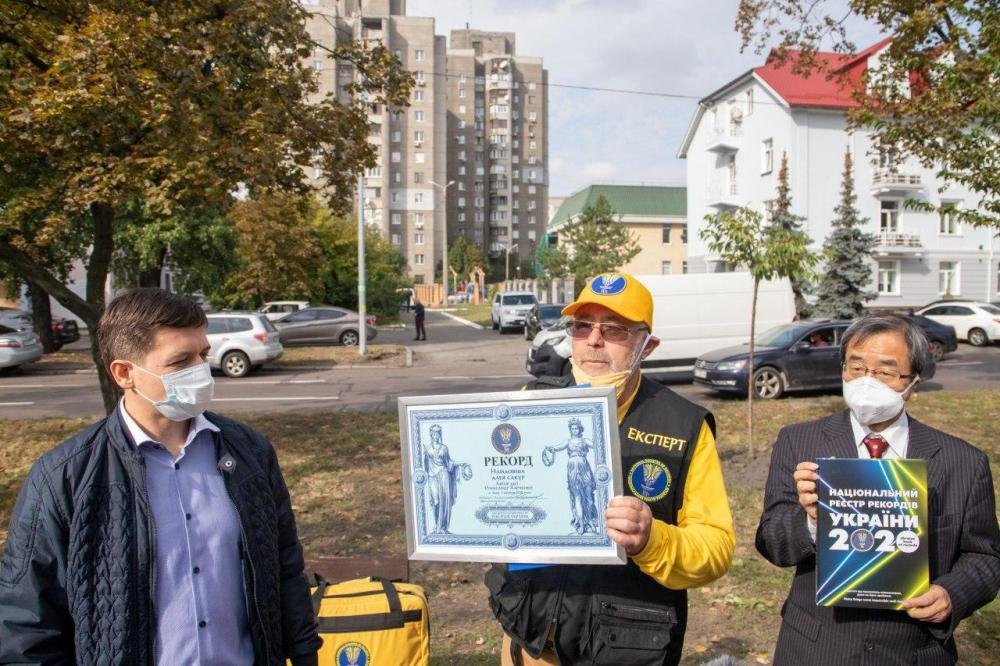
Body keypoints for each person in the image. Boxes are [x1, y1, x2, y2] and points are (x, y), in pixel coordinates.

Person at [0, 288, 320, 665]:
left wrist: (303, 655)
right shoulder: (66, 477)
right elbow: (28, 625)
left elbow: (284, 572)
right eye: (180, 361)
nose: (200, 370)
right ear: (124, 373)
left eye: (202, 354)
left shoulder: (248, 452)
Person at [486, 272, 735, 665]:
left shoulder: (684, 426)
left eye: (614, 329)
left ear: (647, 346)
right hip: (528, 643)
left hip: (624, 648)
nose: (594, 339)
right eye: (582, 326)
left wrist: (651, 539)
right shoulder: (528, 404)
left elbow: (716, 548)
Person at [756, 314, 1000, 665]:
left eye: (885, 372)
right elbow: (771, 541)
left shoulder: (962, 462)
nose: (867, 381)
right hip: (816, 648)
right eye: (856, 367)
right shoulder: (799, 442)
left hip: (914, 650)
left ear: (913, 382)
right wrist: (811, 521)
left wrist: (952, 595)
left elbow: (986, 556)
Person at [543, 418, 600, 535]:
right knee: (577, 497)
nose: (575, 430)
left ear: (580, 429)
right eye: (573, 428)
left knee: (589, 498)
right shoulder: (567, 442)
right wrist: (550, 448)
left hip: (584, 467)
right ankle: (581, 524)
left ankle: (590, 521)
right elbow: (557, 447)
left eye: (577, 428)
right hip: (572, 469)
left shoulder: (585, 441)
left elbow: (599, 446)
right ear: (570, 430)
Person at [424, 424, 463, 534]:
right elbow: (424, 465)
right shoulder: (427, 448)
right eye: (434, 433)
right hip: (432, 477)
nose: (436, 435)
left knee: (444, 502)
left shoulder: (444, 448)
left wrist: (460, 464)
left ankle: (442, 527)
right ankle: (437, 524)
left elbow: (449, 463)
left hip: (443, 475)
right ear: (431, 434)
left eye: (438, 433)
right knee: (436, 501)